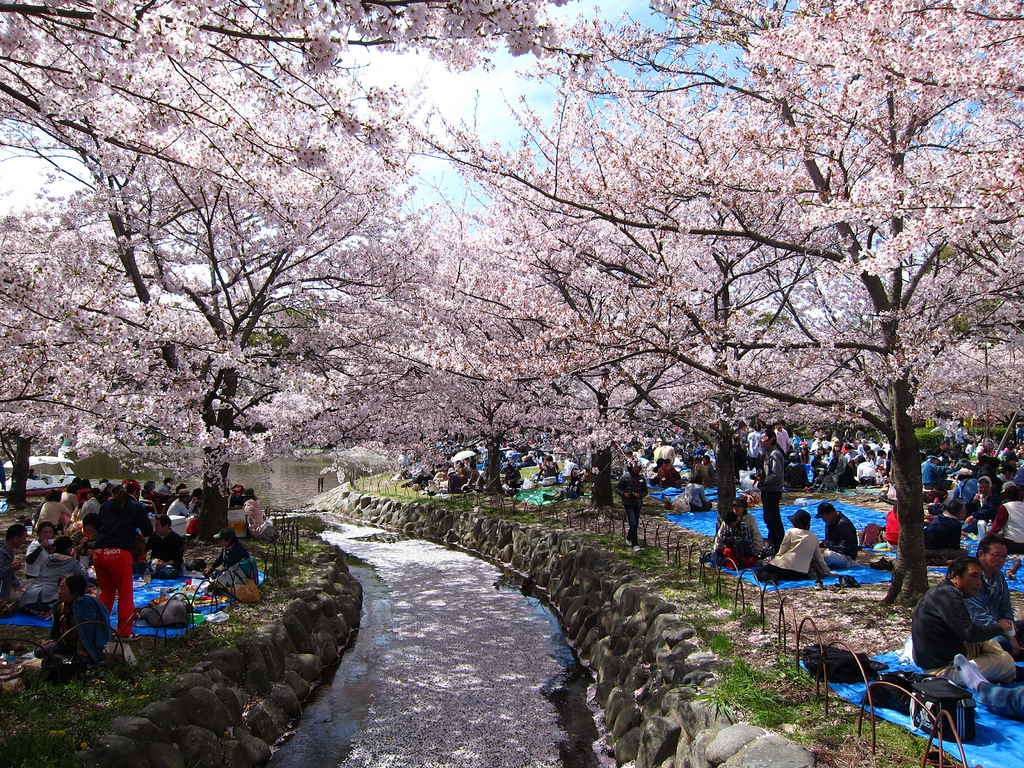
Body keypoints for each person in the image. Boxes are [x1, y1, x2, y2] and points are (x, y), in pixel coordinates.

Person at [911, 556, 1016, 683]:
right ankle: (1006, 671)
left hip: (953, 652)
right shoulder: (948, 595)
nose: (979, 582)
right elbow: (970, 633)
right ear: (955, 576)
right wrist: (1000, 628)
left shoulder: (946, 591)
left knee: (992, 641)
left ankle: (1000, 669)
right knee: (1006, 662)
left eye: (981, 578)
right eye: (974, 576)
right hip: (941, 669)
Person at [93, 481, 153, 638]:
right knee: (125, 594)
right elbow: (148, 530)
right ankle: (125, 631)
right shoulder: (135, 507)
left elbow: (98, 526)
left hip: (99, 553)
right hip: (119, 553)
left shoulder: (106, 506)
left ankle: (98, 628)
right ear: (135, 494)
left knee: (106, 591)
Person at [965, 535, 1024, 659]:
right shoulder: (971, 579)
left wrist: (1010, 628)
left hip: (1000, 627)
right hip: (981, 631)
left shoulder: (999, 576)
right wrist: (1007, 633)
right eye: (996, 555)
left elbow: (1006, 608)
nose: (1001, 560)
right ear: (982, 554)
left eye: (1004, 557)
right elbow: (978, 617)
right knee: (1001, 643)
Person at [47, 572, 110, 665]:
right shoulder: (61, 606)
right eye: (59, 588)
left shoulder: (86, 604)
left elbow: (88, 630)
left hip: (84, 647)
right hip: (66, 645)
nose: (59, 591)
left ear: (74, 591)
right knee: (40, 651)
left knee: (81, 660)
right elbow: (57, 627)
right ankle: (64, 658)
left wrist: (80, 647)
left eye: (63, 588)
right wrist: (54, 639)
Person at [19, 537, 89, 616]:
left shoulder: (47, 559)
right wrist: (74, 558)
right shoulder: (72, 563)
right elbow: (85, 576)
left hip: (29, 598)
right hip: (49, 600)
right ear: (69, 550)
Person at [754, 509, 830, 582]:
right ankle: (774, 577)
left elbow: (782, 550)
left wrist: (774, 560)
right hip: (800, 573)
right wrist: (826, 571)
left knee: (758, 572)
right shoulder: (814, 536)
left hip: (783, 566)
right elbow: (819, 558)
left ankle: (772, 578)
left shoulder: (791, 531)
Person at [758, 426, 787, 553]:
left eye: (763, 438)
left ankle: (777, 544)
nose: (761, 441)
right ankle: (772, 543)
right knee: (768, 519)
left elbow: (776, 474)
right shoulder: (768, 452)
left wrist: (763, 481)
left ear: (771, 440)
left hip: (772, 491)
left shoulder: (775, 453)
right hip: (766, 490)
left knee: (774, 519)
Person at [204, 528, 255, 592]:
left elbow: (230, 567)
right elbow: (220, 559)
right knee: (209, 574)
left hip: (238, 574)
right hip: (229, 570)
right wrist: (211, 567)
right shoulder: (227, 547)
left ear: (228, 540)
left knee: (215, 580)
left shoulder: (237, 550)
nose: (219, 542)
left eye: (221, 540)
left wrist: (217, 573)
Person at [816, 502, 859, 569]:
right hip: (835, 551)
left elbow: (846, 548)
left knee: (827, 557)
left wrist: (828, 548)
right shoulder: (829, 523)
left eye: (823, 517)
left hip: (848, 558)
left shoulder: (844, 524)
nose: (823, 520)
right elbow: (828, 541)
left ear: (831, 514)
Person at [617, 459, 648, 551]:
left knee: (636, 523)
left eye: (638, 467)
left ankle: (629, 538)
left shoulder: (641, 478)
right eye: (635, 467)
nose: (636, 469)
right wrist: (624, 494)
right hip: (628, 503)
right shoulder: (625, 477)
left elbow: (645, 491)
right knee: (633, 523)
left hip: (637, 503)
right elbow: (617, 488)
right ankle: (635, 544)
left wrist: (640, 495)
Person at [145, 514, 185, 579]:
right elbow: (146, 548)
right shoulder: (154, 536)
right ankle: (152, 574)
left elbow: (177, 559)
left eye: (157, 526)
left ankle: (151, 575)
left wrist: (164, 564)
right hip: (154, 565)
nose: (155, 528)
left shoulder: (176, 539)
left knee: (171, 572)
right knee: (135, 566)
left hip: (168, 567)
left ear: (166, 526)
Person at [989, 483, 1024, 554]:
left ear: (1005, 496)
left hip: (1014, 544)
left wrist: (988, 538)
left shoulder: (1005, 507)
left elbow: (996, 527)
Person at [1, 524, 29, 599]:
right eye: (23, 538)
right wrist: (10, 569)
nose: (24, 541)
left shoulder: (10, 550)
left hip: (9, 585)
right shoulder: (2, 553)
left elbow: (12, 574)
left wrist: (16, 585)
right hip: (3, 591)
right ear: (16, 538)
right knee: (30, 596)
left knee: (33, 582)